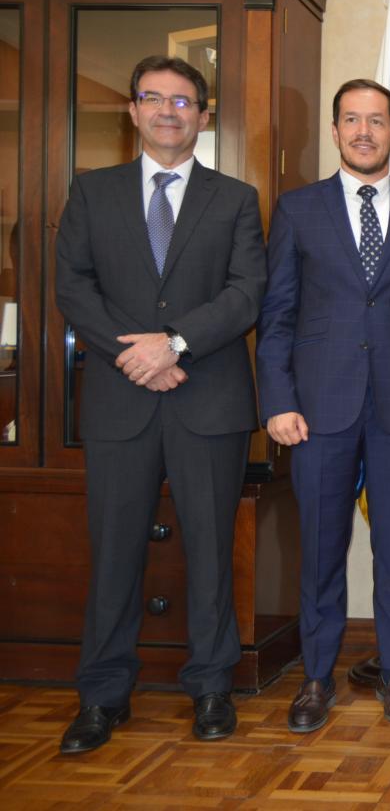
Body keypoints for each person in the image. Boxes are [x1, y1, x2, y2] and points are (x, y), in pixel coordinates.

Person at [54, 55, 267, 752]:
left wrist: (174, 345)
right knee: (114, 554)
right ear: (134, 110)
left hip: (209, 399)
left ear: (204, 117)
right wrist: (137, 356)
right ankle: (103, 695)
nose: (168, 111)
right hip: (121, 399)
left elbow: (245, 293)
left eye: (184, 102)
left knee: (211, 553)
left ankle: (211, 687)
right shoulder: (93, 192)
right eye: (154, 98)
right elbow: (74, 287)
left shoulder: (235, 198)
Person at [256, 79, 390, 732]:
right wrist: (278, 401)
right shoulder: (297, 210)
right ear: (337, 132)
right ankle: (316, 678)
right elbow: (277, 316)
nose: (364, 131)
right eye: (351, 120)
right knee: (320, 550)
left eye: (377, 121)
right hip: (317, 411)